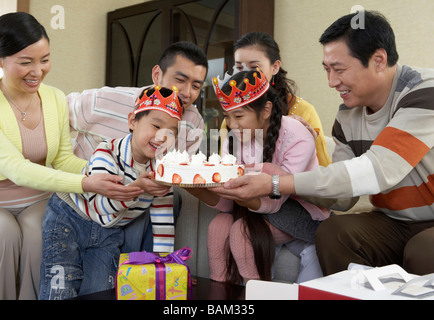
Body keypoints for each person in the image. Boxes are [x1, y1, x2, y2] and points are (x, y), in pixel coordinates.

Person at [213, 11, 434, 276]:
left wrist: (276, 182)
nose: (331, 82)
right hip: (393, 222)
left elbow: (378, 169)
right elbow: (342, 198)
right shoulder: (347, 114)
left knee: (422, 250)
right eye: (327, 70)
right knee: (333, 233)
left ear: (378, 60)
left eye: (339, 70)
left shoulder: (423, 91)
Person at [0, 12, 140, 300]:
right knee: (1, 233)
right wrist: (87, 184)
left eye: (44, 59)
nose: (38, 71)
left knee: (39, 231)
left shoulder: (54, 98)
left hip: (37, 198)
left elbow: (64, 160)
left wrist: (110, 173)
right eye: (26, 62)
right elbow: (16, 169)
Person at [186, 68, 331, 284]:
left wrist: (234, 189)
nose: (232, 126)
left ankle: (255, 293)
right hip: (255, 209)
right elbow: (228, 204)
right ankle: (220, 291)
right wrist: (192, 186)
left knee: (241, 232)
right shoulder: (233, 138)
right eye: (227, 117)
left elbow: (276, 200)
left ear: (266, 110)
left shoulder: (298, 136)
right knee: (218, 226)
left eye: (239, 116)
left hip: (298, 211)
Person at [39, 86, 182, 299]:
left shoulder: (161, 170)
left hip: (108, 232)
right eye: (156, 126)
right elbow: (101, 206)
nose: (162, 137)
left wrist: (165, 266)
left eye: (171, 133)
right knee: (60, 290)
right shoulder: (106, 152)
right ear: (133, 121)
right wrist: (138, 188)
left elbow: (163, 223)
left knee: (103, 292)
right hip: (69, 219)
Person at [67, 41, 208, 253]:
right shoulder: (104, 101)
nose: (187, 93)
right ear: (157, 75)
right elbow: (54, 112)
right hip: (90, 195)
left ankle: (151, 268)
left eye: (196, 86)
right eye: (180, 80)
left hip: (138, 198)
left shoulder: (193, 122)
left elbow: (176, 171)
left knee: (170, 196)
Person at [219, 32, 331, 167]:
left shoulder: (303, 112)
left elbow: (323, 170)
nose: (246, 75)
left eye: (254, 67)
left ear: (275, 67)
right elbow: (226, 168)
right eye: (239, 68)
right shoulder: (234, 119)